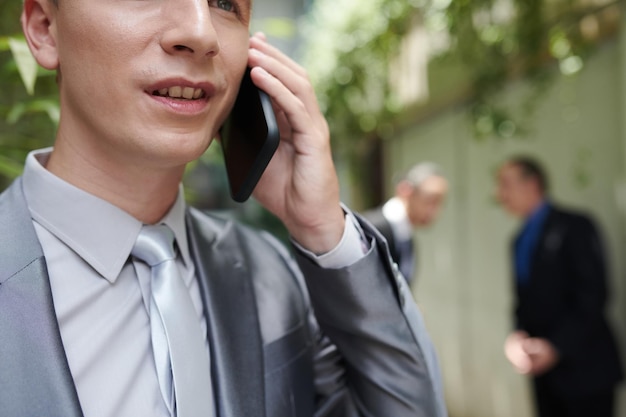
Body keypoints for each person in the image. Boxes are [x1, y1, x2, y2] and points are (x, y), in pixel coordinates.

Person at [0, 0, 448, 416]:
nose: (200, 32)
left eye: (225, 3)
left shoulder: (270, 274)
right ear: (44, 28)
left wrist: (324, 231)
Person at [496, 155, 622, 417]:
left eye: (505, 184)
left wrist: (555, 347)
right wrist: (517, 337)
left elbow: (594, 296)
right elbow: (524, 302)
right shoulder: (518, 240)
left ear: (531, 185)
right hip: (544, 377)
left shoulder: (575, 226)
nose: (500, 194)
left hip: (586, 373)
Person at [364, 162, 448, 284]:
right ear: (405, 190)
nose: (434, 210)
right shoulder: (372, 230)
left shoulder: (405, 234)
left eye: (440, 202)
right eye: (430, 200)